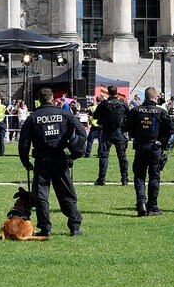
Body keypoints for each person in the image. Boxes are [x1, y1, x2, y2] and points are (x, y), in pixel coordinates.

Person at [18, 87, 85, 236]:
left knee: (41, 195)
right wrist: (74, 150)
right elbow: (81, 132)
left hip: (42, 160)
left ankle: (45, 228)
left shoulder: (33, 118)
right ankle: (74, 227)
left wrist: (25, 161)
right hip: (60, 158)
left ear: (39, 100)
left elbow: (24, 143)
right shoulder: (65, 114)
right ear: (52, 99)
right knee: (66, 193)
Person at [126, 87, 174, 217]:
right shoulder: (161, 111)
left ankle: (141, 203)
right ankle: (152, 206)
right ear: (156, 97)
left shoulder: (136, 111)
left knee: (139, 176)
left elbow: (126, 126)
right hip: (155, 147)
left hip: (140, 146)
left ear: (145, 97)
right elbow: (170, 129)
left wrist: (134, 134)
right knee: (154, 177)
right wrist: (162, 142)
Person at [92, 86, 130, 186]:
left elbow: (95, 116)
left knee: (104, 155)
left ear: (108, 92)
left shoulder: (104, 104)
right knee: (122, 156)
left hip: (106, 132)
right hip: (118, 132)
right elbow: (128, 116)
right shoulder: (122, 104)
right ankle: (124, 179)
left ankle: (102, 179)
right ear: (116, 92)